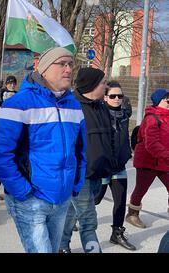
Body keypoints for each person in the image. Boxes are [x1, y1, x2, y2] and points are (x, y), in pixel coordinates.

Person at [0, 47, 87, 253]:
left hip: (62, 197)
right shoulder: (18, 104)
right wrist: (22, 191)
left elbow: (80, 150)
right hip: (31, 198)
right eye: (62, 64)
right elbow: (0, 155)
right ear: (43, 69)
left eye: (71, 64)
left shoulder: (74, 106)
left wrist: (75, 184)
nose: (68, 69)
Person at [60, 67, 114, 254]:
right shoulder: (71, 106)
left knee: (72, 212)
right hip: (79, 175)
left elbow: (109, 140)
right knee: (88, 220)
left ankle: (61, 244)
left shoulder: (102, 107)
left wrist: (111, 164)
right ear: (92, 85)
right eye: (103, 83)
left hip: (98, 174)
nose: (106, 87)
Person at [94, 80, 136, 251]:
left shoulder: (125, 114)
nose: (117, 99)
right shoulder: (98, 114)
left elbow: (124, 137)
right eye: (113, 96)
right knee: (94, 200)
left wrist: (126, 154)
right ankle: (72, 218)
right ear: (105, 97)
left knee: (120, 201)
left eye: (120, 96)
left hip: (119, 166)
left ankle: (117, 233)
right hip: (103, 167)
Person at [126, 89, 169, 228]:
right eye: (166, 99)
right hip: (148, 162)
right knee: (141, 189)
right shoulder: (151, 118)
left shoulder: (167, 118)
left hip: (163, 161)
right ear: (158, 101)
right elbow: (151, 143)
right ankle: (132, 214)